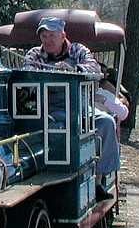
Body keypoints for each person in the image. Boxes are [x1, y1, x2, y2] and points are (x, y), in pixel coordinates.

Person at [23, 17, 118, 200]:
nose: (47, 40)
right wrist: (50, 75)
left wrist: (73, 70)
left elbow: (95, 69)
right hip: (50, 110)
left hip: (80, 107)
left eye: (52, 35)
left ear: (63, 35)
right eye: (44, 36)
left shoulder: (78, 50)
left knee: (106, 123)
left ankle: (97, 182)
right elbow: (28, 79)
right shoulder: (34, 54)